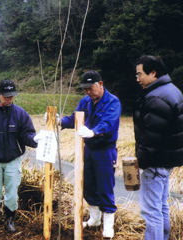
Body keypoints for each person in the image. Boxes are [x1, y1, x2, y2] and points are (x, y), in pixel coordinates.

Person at [0, 79, 42, 235]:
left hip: (13, 160)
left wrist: (35, 140)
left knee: (11, 195)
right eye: (5, 96)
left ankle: (9, 221)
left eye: (11, 96)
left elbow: (28, 135)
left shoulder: (20, 113)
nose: (9, 99)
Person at [58, 71, 121, 238]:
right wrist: (60, 121)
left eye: (90, 88)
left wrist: (94, 132)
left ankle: (108, 225)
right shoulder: (85, 101)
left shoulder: (112, 101)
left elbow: (108, 122)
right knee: (88, 184)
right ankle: (94, 219)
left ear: (100, 84)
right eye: (85, 88)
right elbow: (74, 119)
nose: (88, 91)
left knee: (105, 186)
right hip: (88, 150)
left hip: (105, 150)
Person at [133, 55, 183, 240]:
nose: (137, 79)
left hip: (155, 161)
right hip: (166, 160)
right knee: (161, 205)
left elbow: (151, 137)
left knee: (150, 210)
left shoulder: (156, 97)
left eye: (139, 74)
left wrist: (142, 162)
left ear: (153, 73)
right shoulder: (172, 91)